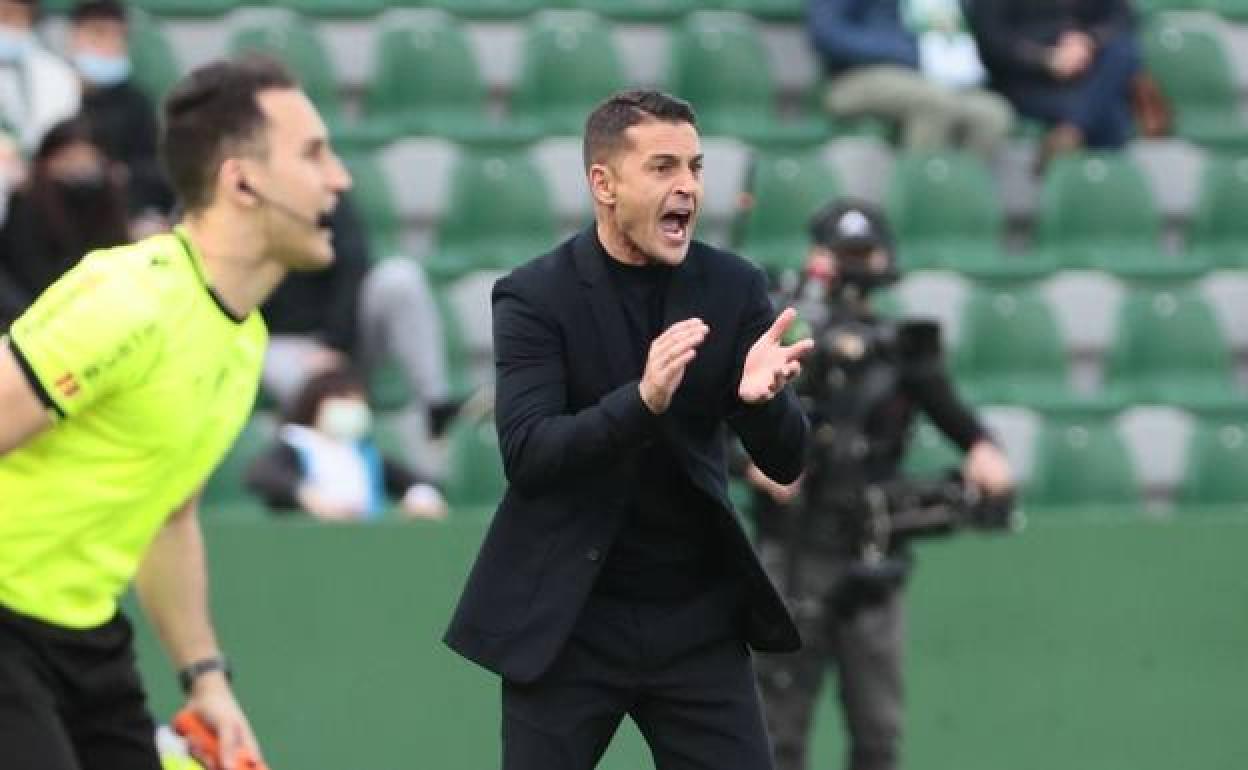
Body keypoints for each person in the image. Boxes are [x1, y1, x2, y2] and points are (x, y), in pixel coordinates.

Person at [444, 89, 814, 770]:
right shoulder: (534, 296)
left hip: (697, 618)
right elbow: (529, 454)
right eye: (664, 168)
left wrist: (761, 402)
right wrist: (641, 402)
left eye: (697, 169)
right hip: (571, 618)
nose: (687, 188)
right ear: (604, 184)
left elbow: (787, 462)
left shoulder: (732, 287)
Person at [0, 53, 351, 769]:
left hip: (86, 639)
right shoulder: (129, 300)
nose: (339, 177)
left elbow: (171, 516)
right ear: (241, 179)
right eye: (314, 153)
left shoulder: (242, 340)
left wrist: (207, 681)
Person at [743, 198, 1014, 770]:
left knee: (877, 733)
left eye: (863, 252)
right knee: (777, 732)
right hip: (792, 552)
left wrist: (984, 450)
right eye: (845, 254)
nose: (855, 265)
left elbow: (956, 418)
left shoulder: (900, 349)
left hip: (872, 556)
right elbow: (723, 424)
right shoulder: (786, 339)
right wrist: (751, 466)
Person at [258, 193, 456, 479]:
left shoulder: (324, 185)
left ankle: (437, 410)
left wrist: (335, 345)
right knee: (304, 385)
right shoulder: (237, 200)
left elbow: (354, 261)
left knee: (400, 278)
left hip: (345, 337)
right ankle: (314, 471)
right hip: (280, 341)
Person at [809, 0, 1013, 157]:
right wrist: (911, 52)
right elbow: (827, 33)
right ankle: (920, 196)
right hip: (856, 75)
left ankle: (955, 196)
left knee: (992, 114)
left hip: (932, 76)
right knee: (936, 102)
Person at [245, 365, 448, 522]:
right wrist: (306, 495)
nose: (353, 408)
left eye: (358, 402)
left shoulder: (364, 454)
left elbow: (416, 481)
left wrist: (421, 496)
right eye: (343, 399)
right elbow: (261, 474)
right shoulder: (295, 445)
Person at [966, 0, 1140, 167]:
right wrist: (1047, 59)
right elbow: (991, 42)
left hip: (1084, 72)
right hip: (1024, 81)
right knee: (1111, 114)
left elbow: (1122, 19)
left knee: (1123, 51)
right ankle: (1079, 180)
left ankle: (1072, 129)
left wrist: (1088, 41)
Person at [0, 116, 130, 328]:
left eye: (88, 159)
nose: (79, 168)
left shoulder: (107, 205)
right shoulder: (25, 208)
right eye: (69, 159)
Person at [67, 0, 174, 233]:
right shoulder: (51, 90)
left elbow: (154, 168)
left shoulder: (136, 103)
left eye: (119, 37)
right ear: (74, 37)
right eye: (99, 34)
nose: (110, 45)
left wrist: (121, 175)